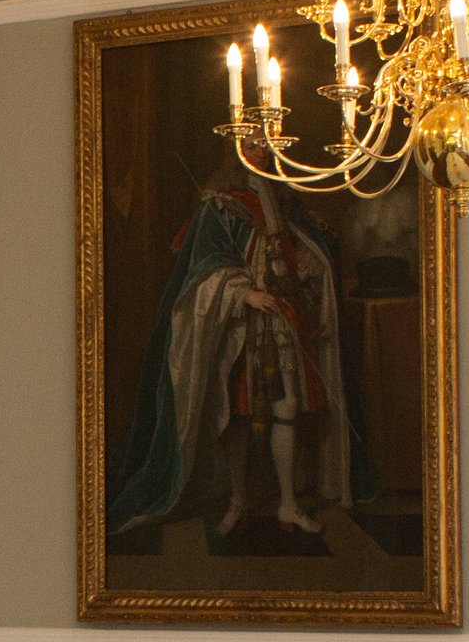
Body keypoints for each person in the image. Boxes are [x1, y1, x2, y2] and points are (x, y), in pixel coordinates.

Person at [107, 156, 355, 549]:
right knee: (237, 415)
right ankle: (237, 501)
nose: (259, 146)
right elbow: (203, 269)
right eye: (250, 138)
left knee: (286, 410)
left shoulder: (283, 199)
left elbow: (300, 251)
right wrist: (244, 292)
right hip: (239, 325)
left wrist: (306, 270)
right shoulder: (220, 204)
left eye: (264, 137)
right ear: (234, 146)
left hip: (282, 318)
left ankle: (288, 503)